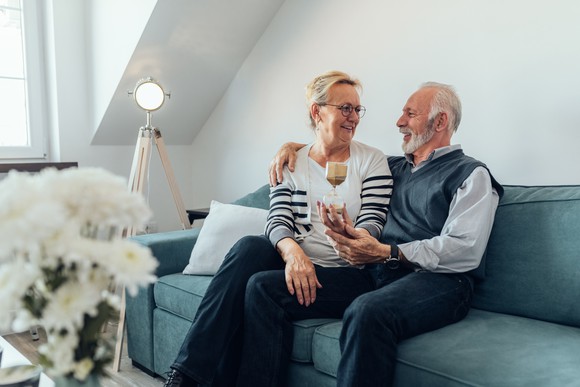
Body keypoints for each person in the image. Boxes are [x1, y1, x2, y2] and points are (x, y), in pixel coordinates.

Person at [265, 81, 504, 387]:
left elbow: (465, 249)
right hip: (378, 273)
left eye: (410, 113)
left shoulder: (471, 175)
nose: (399, 121)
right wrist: (291, 147)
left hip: (442, 282)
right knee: (265, 288)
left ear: (440, 121)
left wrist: (389, 252)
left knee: (366, 311)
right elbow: (335, 148)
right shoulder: (394, 167)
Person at [163, 70, 392, 387]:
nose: (354, 117)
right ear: (317, 111)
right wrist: (294, 252)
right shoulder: (291, 161)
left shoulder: (371, 160)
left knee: (260, 286)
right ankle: (185, 377)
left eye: (357, 109)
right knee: (249, 247)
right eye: (345, 108)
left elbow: (374, 221)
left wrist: (353, 235)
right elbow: (277, 219)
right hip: (298, 260)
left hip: (347, 271)